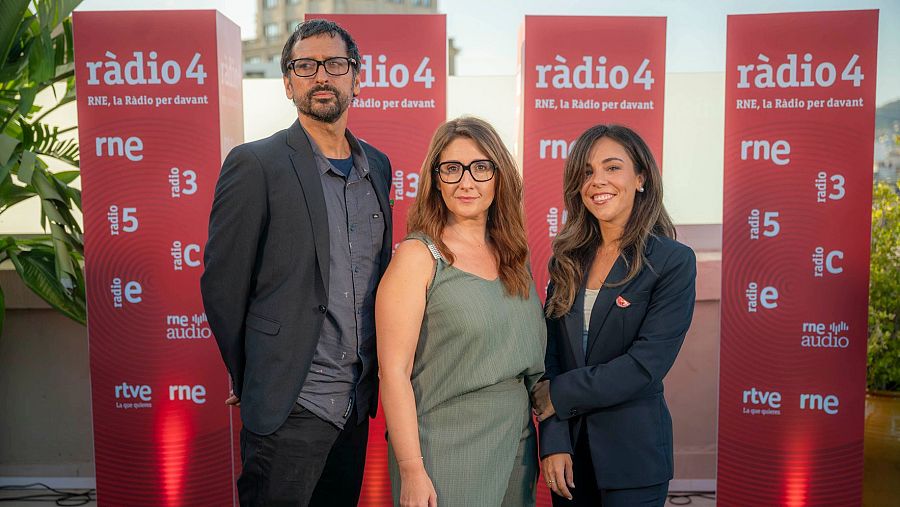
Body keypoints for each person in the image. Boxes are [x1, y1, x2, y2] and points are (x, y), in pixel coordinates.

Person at [200, 19, 393, 507]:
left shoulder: (379, 166)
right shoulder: (256, 164)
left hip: (355, 405)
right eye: (305, 66)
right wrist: (255, 376)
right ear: (288, 83)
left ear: (356, 76)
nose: (321, 76)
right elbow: (223, 286)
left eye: (335, 64)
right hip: (291, 404)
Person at [376, 117, 546, 507]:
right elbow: (394, 373)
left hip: (517, 445)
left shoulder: (514, 257)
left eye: (480, 168)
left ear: (498, 176)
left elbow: (534, 367)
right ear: (435, 179)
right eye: (452, 169)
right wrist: (412, 470)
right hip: (444, 449)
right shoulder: (418, 257)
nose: (466, 182)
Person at [531, 124, 696, 506]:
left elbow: (644, 366)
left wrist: (558, 394)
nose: (597, 181)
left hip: (633, 459)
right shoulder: (567, 260)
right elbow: (550, 355)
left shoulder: (672, 262)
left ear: (641, 178)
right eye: (587, 172)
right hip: (568, 458)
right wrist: (553, 441)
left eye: (612, 168)